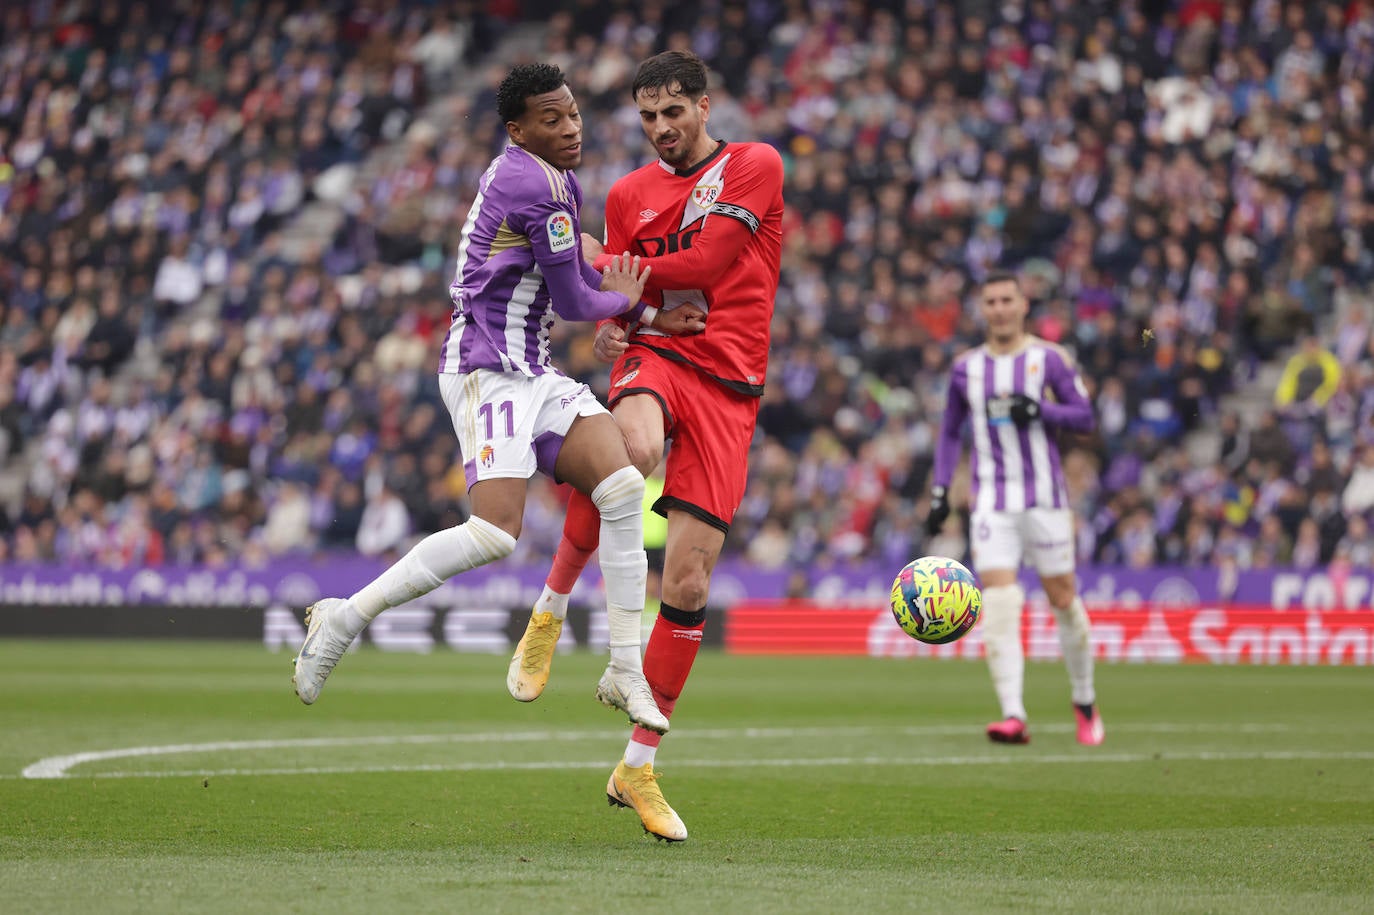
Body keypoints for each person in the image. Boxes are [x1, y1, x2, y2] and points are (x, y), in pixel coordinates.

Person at [291, 63, 707, 738]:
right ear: (519, 130)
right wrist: (633, 303)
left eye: (572, 113)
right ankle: (344, 617)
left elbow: (573, 275)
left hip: (530, 367)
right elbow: (576, 300)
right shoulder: (529, 183)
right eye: (552, 119)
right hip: (487, 367)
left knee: (624, 487)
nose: (571, 127)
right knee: (494, 533)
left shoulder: (556, 179)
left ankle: (624, 666)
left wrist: (648, 319)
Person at [504, 50, 784, 842]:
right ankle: (552, 608)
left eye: (673, 113)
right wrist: (617, 320)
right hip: (660, 360)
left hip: (732, 386)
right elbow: (619, 314)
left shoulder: (753, 166)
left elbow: (710, 262)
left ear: (703, 105)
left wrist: (605, 263)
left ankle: (636, 766)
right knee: (624, 456)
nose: (660, 129)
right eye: (647, 116)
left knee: (689, 581)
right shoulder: (625, 193)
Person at [925, 271, 1105, 747]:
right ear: (982, 310)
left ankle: (1084, 700)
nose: (1000, 308)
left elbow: (1085, 418)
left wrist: (1039, 410)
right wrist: (942, 490)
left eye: (1008, 300)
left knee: (1063, 599)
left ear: (1024, 306)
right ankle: (1013, 714)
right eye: (991, 301)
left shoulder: (1050, 359)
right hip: (991, 502)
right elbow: (949, 431)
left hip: (1045, 499)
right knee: (1001, 600)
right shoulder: (967, 368)